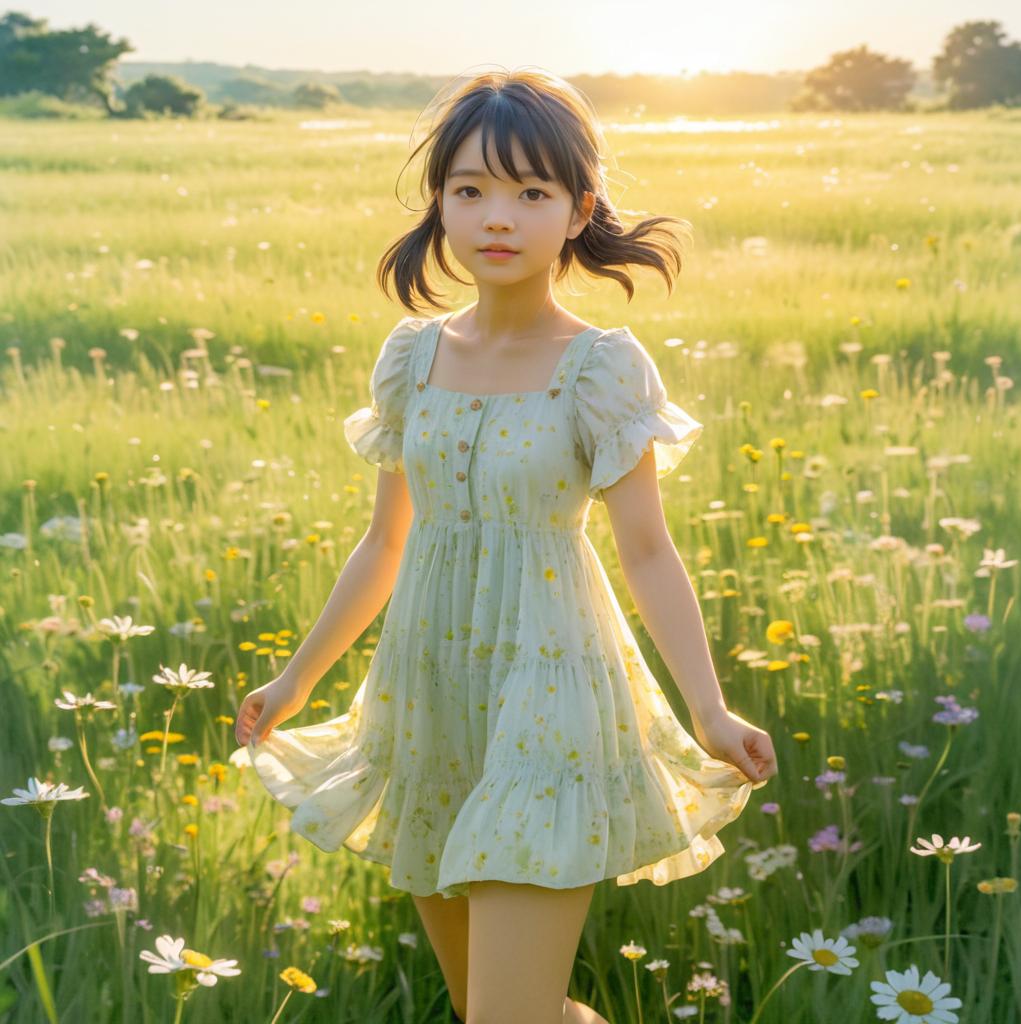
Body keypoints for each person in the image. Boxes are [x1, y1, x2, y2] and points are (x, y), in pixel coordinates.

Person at [231, 66, 777, 1024]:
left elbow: (647, 550)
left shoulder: (602, 367)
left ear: (578, 212)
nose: (498, 216)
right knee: (494, 1007)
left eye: (532, 193)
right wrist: (298, 680)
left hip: (551, 699)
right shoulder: (412, 355)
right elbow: (384, 541)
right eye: (470, 189)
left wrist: (710, 708)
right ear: (439, 202)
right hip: (428, 699)